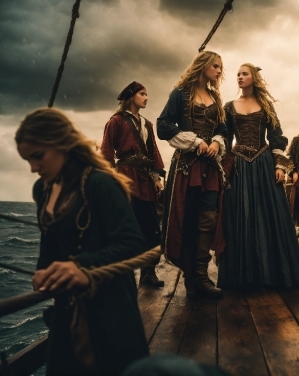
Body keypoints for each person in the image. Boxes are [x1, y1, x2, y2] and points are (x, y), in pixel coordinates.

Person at [15, 108, 149, 376]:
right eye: (28, 160)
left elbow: (133, 243)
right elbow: (49, 249)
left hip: (111, 312)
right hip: (67, 312)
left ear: (62, 143)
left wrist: (82, 265)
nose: (32, 168)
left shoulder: (100, 184)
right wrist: (44, 272)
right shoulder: (42, 190)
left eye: (38, 157)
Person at [217, 64, 299, 289]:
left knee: (269, 215)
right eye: (237, 74)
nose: (239, 77)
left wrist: (280, 166)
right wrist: (225, 167)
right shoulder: (228, 107)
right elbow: (225, 140)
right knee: (241, 214)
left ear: (254, 78)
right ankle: (242, 275)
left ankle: (274, 273)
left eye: (244, 73)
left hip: (264, 162)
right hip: (239, 165)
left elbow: (276, 137)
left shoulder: (266, 106)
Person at [157, 51, 227, 300]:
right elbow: (163, 125)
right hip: (188, 167)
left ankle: (201, 275)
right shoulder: (180, 94)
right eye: (216, 66)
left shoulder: (215, 97)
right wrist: (196, 141)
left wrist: (217, 143)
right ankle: (191, 279)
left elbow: (222, 128)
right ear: (204, 65)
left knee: (208, 218)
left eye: (221, 67)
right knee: (187, 220)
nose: (219, 71)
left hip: (210, 168)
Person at [101, 81, 165, 287]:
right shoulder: (116, 121)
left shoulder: (147, 124)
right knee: (125, 227)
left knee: (152, 227)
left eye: (147, 94)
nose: (146, 98)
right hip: (126, 178)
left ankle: (148, 272)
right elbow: (107, 152)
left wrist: (156, 178)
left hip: (145, 180)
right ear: (131, 97)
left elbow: (153, 151)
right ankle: (120, 276)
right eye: (142, 94)